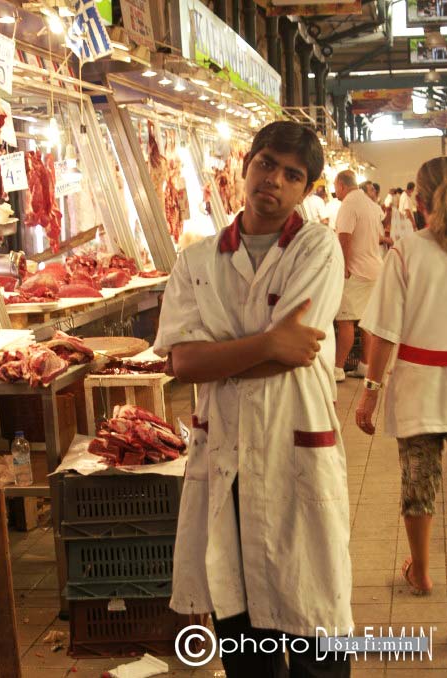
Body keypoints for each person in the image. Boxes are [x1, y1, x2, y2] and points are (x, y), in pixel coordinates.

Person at [154, 121, 352, 678]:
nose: (275, 180)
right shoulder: (197, 261)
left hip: (295, 450)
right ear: (247, 166)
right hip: (227, 457)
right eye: (266, 163)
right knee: (242, 637)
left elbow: (298, 350)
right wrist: (267, 344)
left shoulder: (317, 248)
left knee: (315, 627)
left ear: (306, 189)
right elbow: (183, 364)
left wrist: (220, 355)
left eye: (293, 175)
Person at [355, 156, 447, 596]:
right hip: (421, 381)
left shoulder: (407, 252)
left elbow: (385, 331)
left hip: (418, 386)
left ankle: (422, 573)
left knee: (419, 479)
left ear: (420, 201)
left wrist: (370, 392)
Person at [334, 171, 383, 382]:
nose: (335, 191)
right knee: (366, 321)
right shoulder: (370, 204)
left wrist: (343, 267)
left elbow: (345, 237)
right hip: (374, 269)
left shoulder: (349, 204)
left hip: (356, 270)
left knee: (345, 320)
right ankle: (364, 365)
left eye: (335, 186)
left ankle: (337, 369)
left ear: (341, 185)